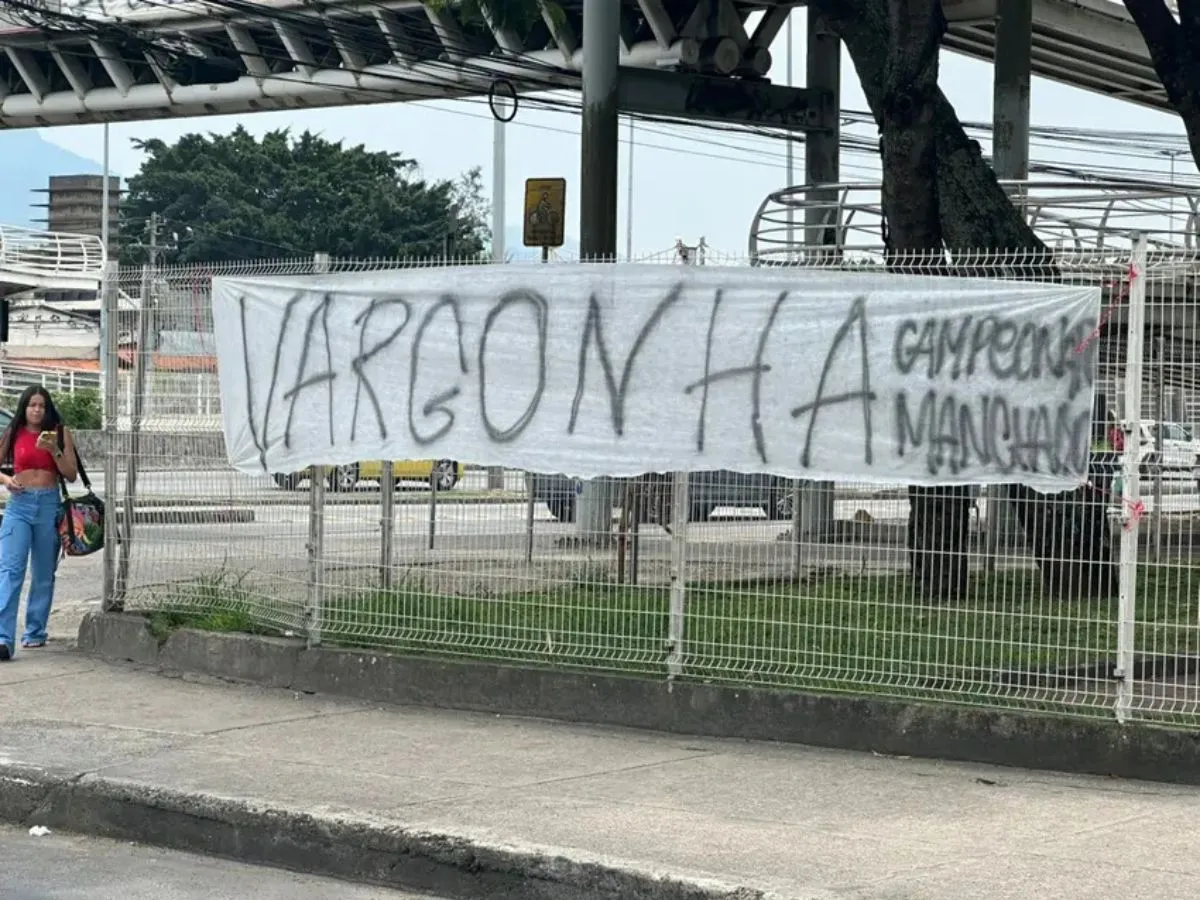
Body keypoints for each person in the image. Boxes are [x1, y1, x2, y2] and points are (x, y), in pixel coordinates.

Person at [0, 386, 78, 660]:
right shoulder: (14, 431)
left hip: (48, 506)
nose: (36, 410)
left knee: (43, 573)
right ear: (25, 407)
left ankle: (34, 632)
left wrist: (54, 450)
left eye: (41, 406)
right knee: (10, 570)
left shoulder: (59, 432)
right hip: (19, 506)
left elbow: (71, 475)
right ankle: (3, 637)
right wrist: (7, 480)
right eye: (32, 405)